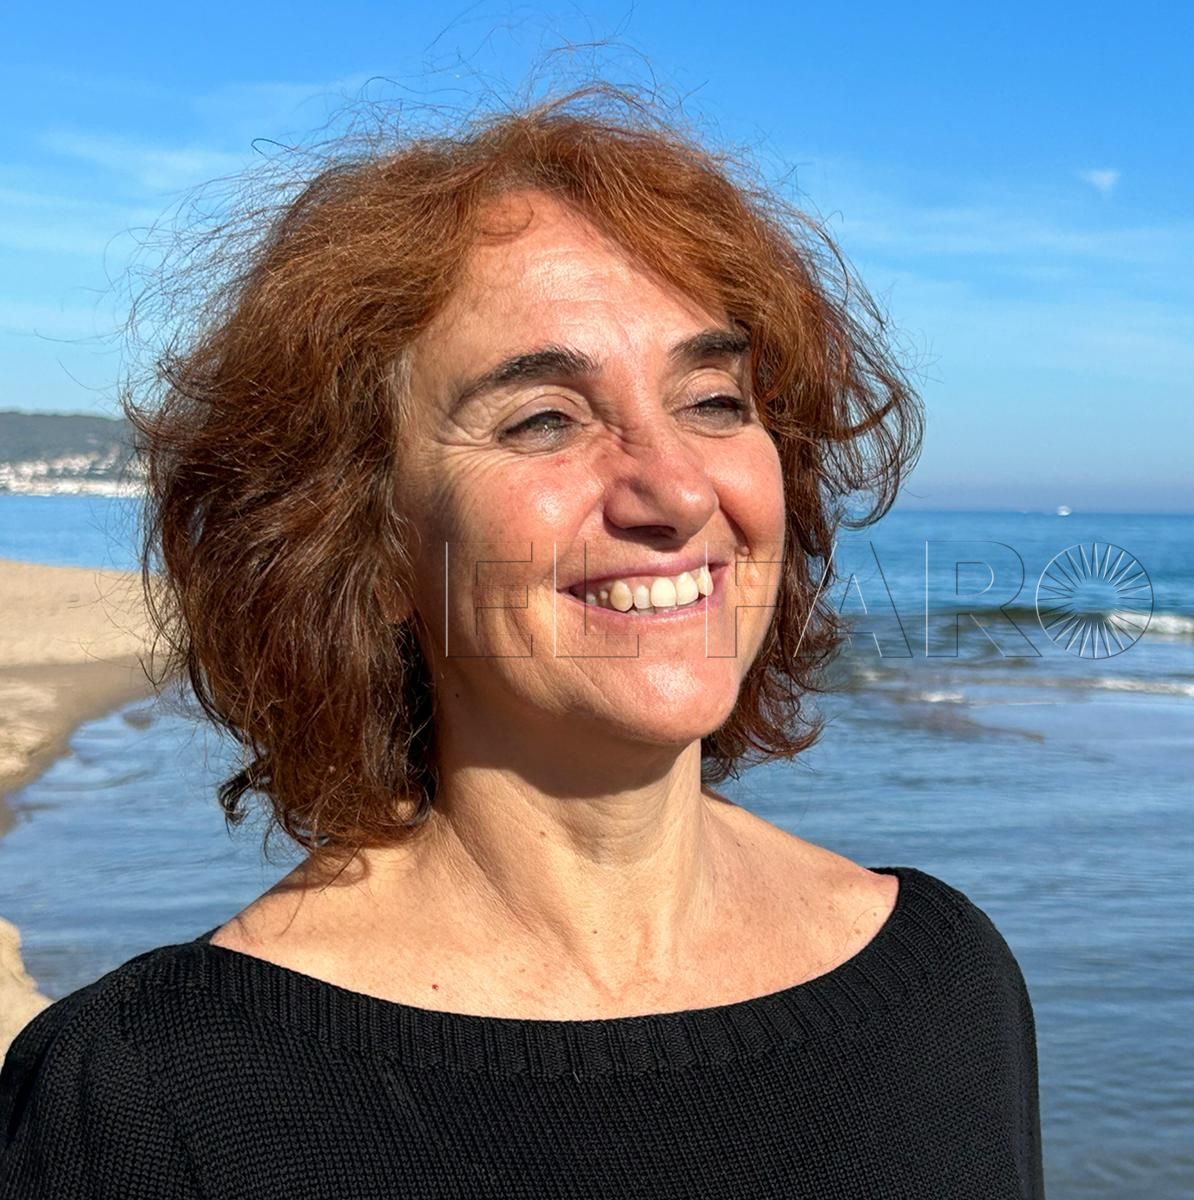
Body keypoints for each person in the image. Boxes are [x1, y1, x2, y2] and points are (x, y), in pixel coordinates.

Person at [0, 83, 1045, 1198]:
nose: (677, 490)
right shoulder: (147, 1099)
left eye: (711, 400)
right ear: (364, 543)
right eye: (545, 418)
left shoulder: (944, 984)